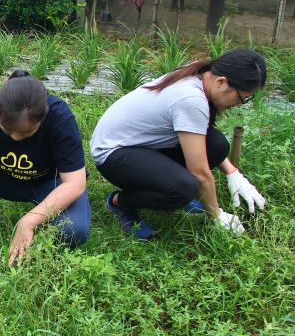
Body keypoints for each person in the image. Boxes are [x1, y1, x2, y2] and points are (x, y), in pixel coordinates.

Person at [90, 48, 267, 239]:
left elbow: (201, 143)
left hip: (140, 145)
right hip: (113, 155)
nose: (240, 104)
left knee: (216, 145)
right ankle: (120, 202)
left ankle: (169, 189)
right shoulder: (191, 100)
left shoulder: (199, 74)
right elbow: (199, 172)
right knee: (183, 188)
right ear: (221, 82)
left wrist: (232, 173)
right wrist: (217, 215)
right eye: (242, 98)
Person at [0, 70, 90, 267]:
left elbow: (75, 183)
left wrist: (29, 221)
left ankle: (36, 241)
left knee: (74, 231)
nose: (16, 138)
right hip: (4, 178)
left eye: (27, 132)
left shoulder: (60, 116)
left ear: (43, 116)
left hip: (50, 184)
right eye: (7, 129)